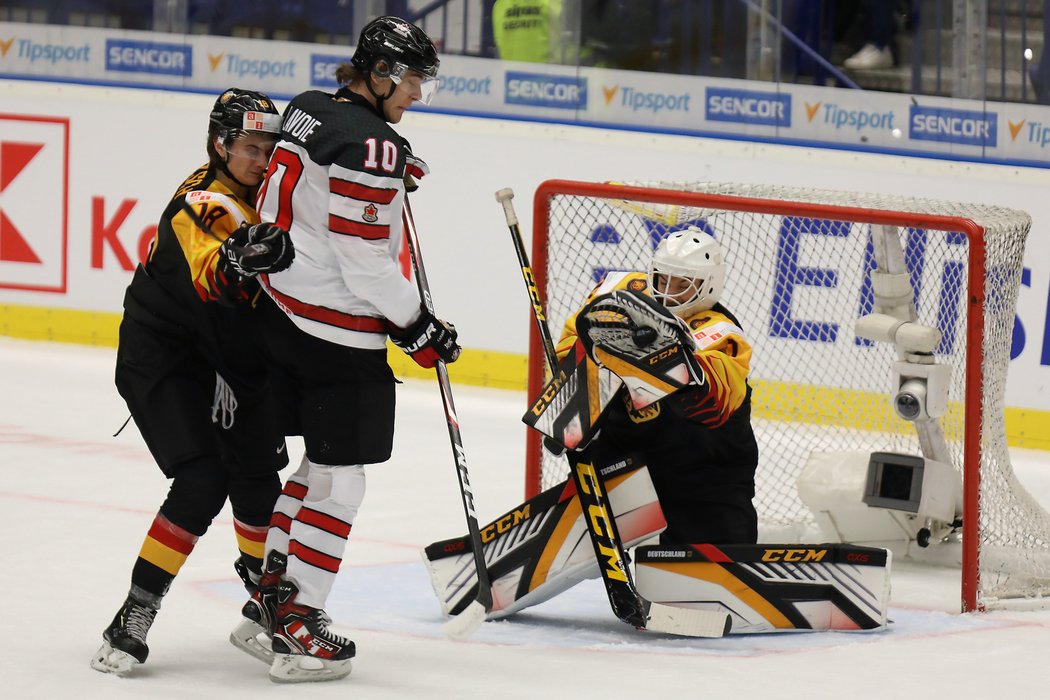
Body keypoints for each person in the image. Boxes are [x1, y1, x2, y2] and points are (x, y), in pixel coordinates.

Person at [230, 15, 460, 684]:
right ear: (383, 74)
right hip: (337, 330)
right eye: (414, 79)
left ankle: (267, 608)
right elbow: (364, 264)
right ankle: (300, 624)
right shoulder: (373, 147)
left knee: (320, 468)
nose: (417, 92)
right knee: (344, 479)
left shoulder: (307, 110)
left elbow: (312, 202)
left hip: (284, 315)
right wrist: (419, 325)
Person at [91, 88, 295, 676]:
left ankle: (264, 610)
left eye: (270, 148)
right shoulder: (201, 203)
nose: (262, 159)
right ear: (221, 145)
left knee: (258, 477)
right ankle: (133, 614)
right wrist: (239, 260)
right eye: (251, 148)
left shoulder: (271, 195)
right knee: (203, 480)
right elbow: (215, 275)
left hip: (226, 354)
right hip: (165, 358)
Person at [561, 225, 759, 546]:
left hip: (702, 474)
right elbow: (569, 347)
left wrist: (665, 357)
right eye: (663, 279)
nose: (668, 291)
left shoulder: (722, 334)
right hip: (625, 454)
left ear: (708, 286)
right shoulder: (619, 290)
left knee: (716, 570)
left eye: (683, 284)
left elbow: (717, 398)